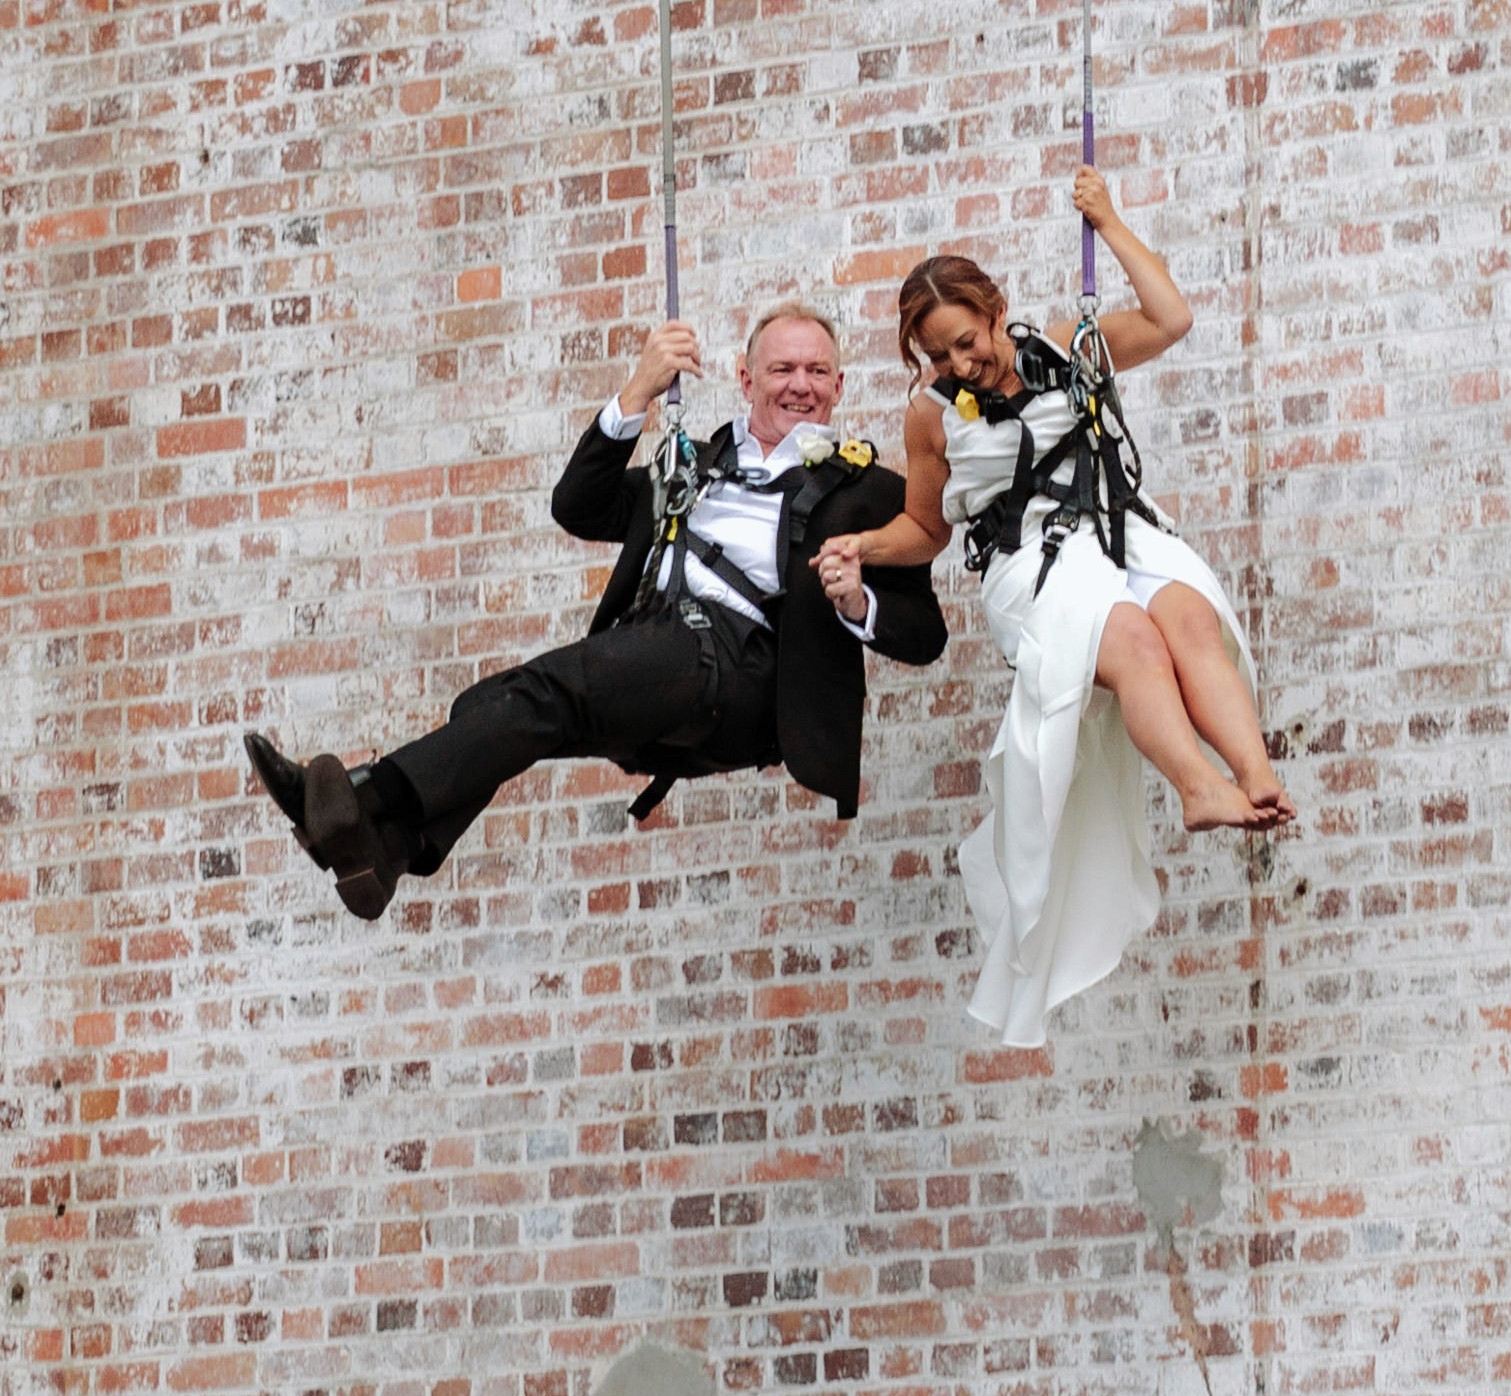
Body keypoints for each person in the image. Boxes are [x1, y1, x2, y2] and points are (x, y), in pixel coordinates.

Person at [244, 300, 947, 918]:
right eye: (783, 369)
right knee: (488, 707)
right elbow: (577, 506)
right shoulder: (689, 466)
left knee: (544, 692)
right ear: (746, 379)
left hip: (748, 676)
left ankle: (361, 797)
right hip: (658, 654)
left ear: (839, 385)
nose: (801, 385)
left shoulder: (869, 491)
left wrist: (858, 601)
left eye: (818, 371)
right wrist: (637, 392)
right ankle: (389, 849)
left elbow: (925, 635)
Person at [814, 164, 1292, 1047]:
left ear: (995, 310)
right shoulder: (932, 415)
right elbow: (923, 526)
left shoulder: (1068, 342)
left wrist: (1106, 219)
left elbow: (1170, 319)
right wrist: (863, 548)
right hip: (1029, 562)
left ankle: (1256, 778)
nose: (963, 363)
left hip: (1121, 527)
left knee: (1190, 622)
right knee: (1138, 646)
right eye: (940, 355)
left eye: (967, 340)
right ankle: (1197, 788)